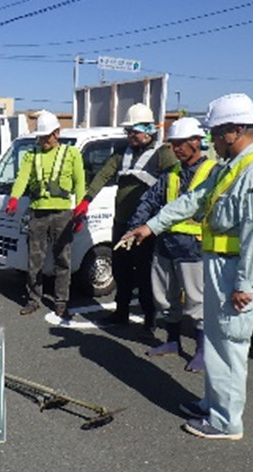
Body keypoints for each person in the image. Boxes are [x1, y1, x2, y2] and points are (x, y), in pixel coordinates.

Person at [121, 93, 253, 440]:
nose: (210, 140)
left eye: (214, 133)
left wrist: (244, 284)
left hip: (238, 272)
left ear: (234, 130)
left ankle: (226, 422)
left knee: (229, 346)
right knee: (215, 342)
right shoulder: (232, 168)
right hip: (220, 268)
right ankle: (212, 403)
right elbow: (193, 200)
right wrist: (150, 226)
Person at [74, 103, 177, 331]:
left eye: (133, 131)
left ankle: (149, 320)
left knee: (145, 274)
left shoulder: (163, 154)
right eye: (128, 131)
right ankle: (121, 313)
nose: (129, 135)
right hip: (120, 223)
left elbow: (177, 181)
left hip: (147, 227)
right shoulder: (121, 153)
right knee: (120, 270)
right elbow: (103, 175)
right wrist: (86, 200)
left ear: (148, 129)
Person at [125, 117, 216, 372]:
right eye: (173, 144)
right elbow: (149, 200)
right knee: (165, 299)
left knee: (197, 303)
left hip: (194, 247)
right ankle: (172, 342)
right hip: (164, 245)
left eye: (180, 144)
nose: (176, 149)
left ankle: (201, 350)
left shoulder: (212, 172)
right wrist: (134, 226)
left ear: (197, 142)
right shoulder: (171, 174)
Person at [5, 111, 85, 319]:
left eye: (47, 136)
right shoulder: (32, 155)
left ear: (57, 133)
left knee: (63, 260)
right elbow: (22, 179)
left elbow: (80, 182)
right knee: (34, 259)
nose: (43, 140)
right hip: (38, 212)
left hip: (63, 213)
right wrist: (14, 197)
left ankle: (61, 302)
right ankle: (33, 299)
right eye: (40, 137)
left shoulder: (72, 153)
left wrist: (81, 210)